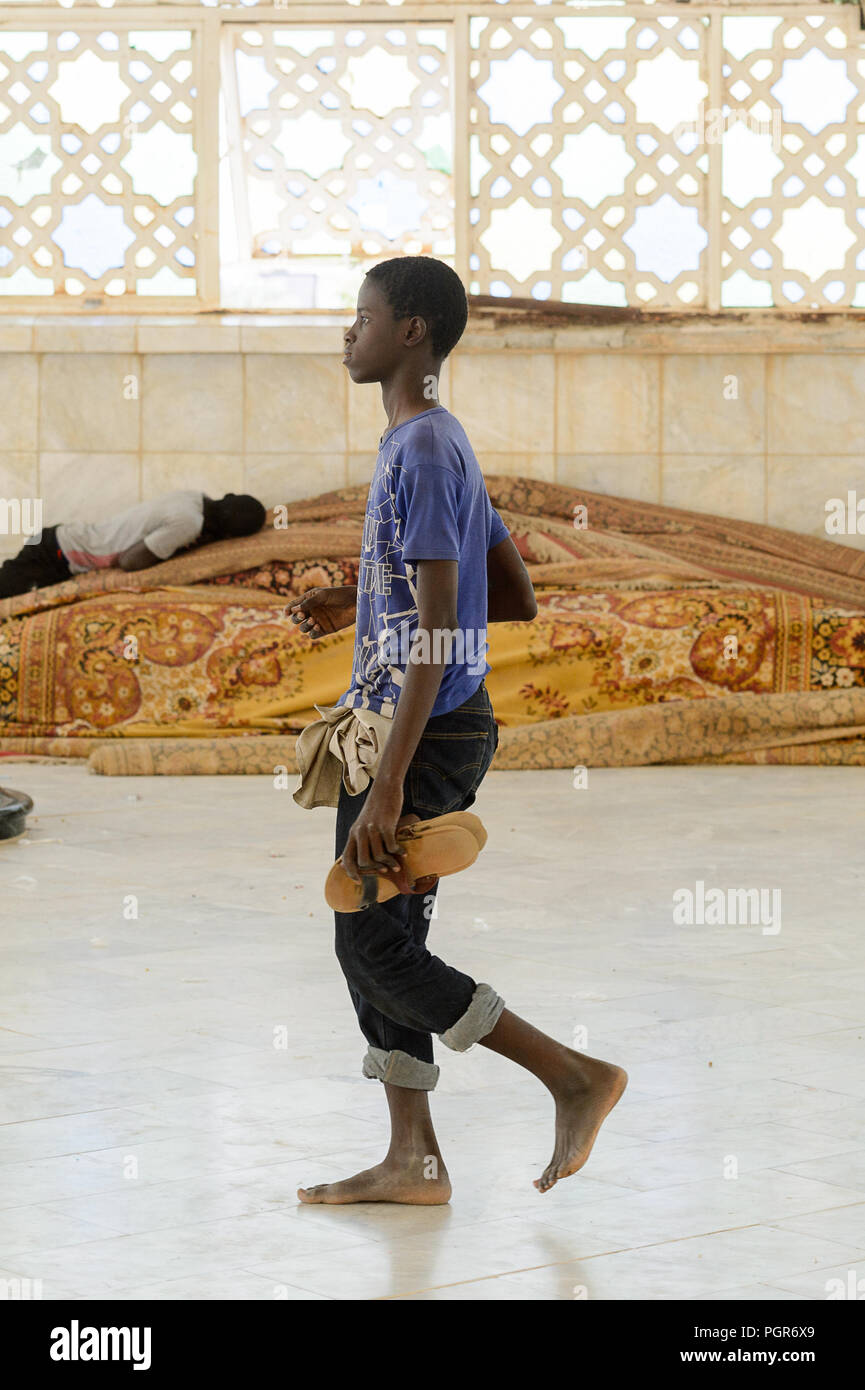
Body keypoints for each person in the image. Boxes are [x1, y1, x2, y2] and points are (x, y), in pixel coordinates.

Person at [289, 255, 627, 1205]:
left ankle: (572, 1076)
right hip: (425, 723)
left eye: (361, 318)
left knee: (372, 947)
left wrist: (390, 783)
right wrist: (357, 598)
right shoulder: (431, 441)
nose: (346, 334)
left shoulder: (425, 451)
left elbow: (441, 629)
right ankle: (415, 1161)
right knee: (379, 929)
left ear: (412, 334)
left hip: (420, 736)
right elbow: (509, 595)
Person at [0, 491, 266, 599]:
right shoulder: (190, 523)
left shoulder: (192, 498)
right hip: (55, 553)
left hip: (57, 542)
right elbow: (130, 562)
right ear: (228, 534)